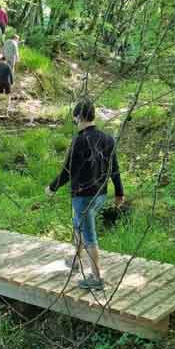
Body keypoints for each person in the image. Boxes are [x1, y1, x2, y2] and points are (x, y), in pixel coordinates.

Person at [45, 100, 124, 291]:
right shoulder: (108, 139)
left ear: (78, 117)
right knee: (77, 224)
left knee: (88, 234)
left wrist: (52, 188)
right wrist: (119, 192)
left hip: (82, 196)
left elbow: (67, 171)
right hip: (100, 194)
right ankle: (75, 260)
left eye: (74, 118)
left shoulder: (79, 140)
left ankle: (97, 278)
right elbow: (114, 168)